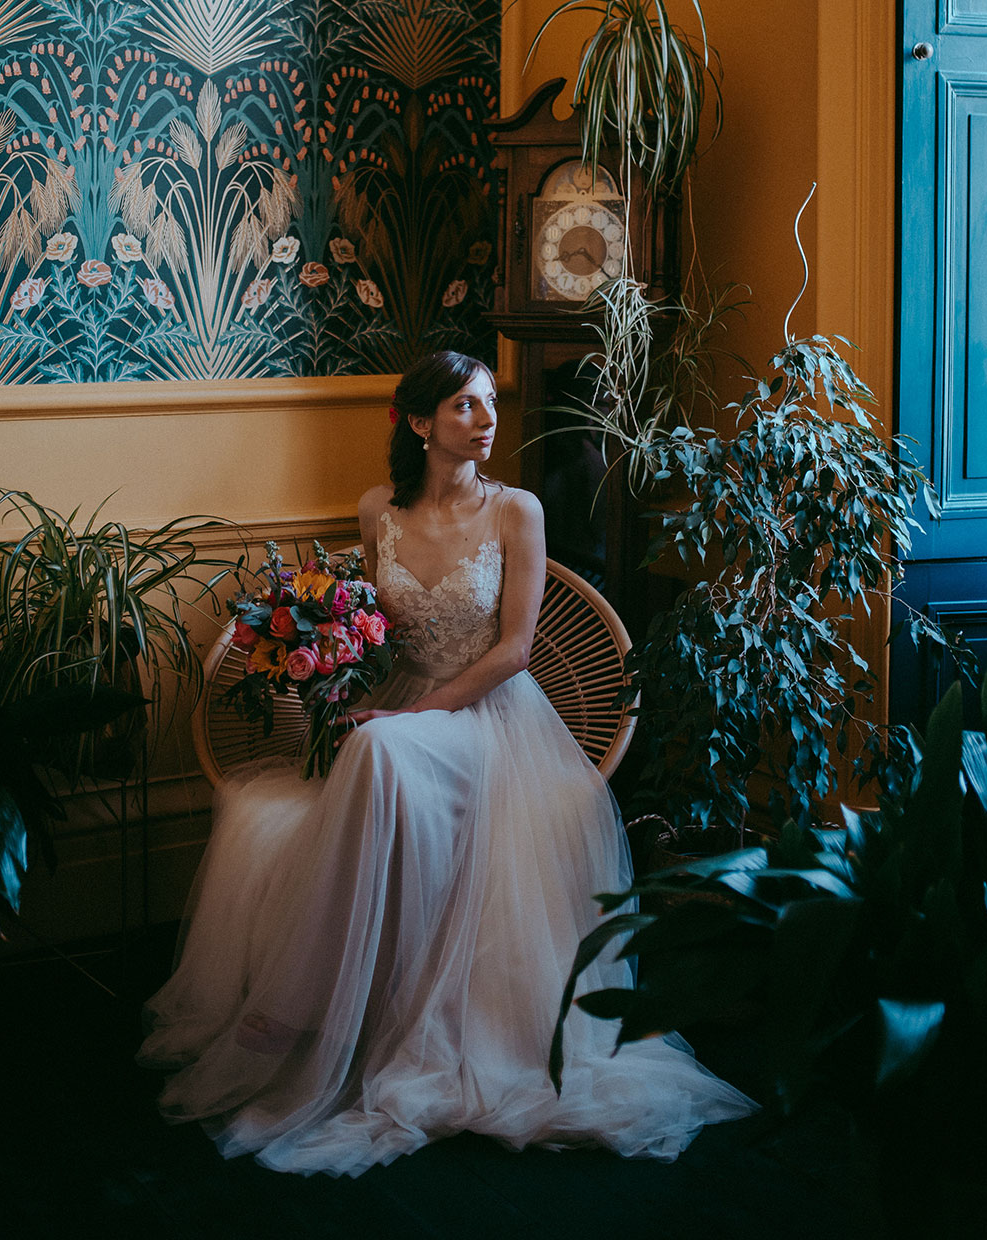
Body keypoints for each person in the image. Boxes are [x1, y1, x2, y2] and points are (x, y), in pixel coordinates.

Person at [138, 350, 754, 1177]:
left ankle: (296, 1004)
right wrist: (330, 662)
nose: (488, 419)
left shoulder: (518, 510)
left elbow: (516, 650)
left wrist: (413, 714)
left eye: (491, 403)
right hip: (398, 705)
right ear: (421, 423)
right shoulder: (375, 512)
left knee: (381, 746)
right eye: (466, 406)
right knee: (374, 750)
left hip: (488, 718)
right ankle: (327, 1004)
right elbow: (378, 631)